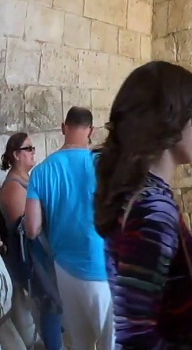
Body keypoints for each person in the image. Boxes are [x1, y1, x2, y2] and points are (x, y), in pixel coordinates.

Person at [94, 61, 192, 348]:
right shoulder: (153, 210)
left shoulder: (143, 191)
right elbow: (136, 337)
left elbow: (158, 280)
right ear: (172, 121)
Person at [24, 107, 113, 350]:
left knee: (80, 342)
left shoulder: (40, 172)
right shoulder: (102, 165)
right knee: (111, 342)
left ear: (64, 127)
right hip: (101, 267)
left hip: (63, 268)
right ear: (91, 131)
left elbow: (32, 228)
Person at [0, 133, 62, 349]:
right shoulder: (13, 188)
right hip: (30, 261)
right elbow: (25, 231)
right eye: (29, 148)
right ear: (16, 155)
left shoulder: (26, 180)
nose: (34, 152)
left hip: (42, 256)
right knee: (48, 305)